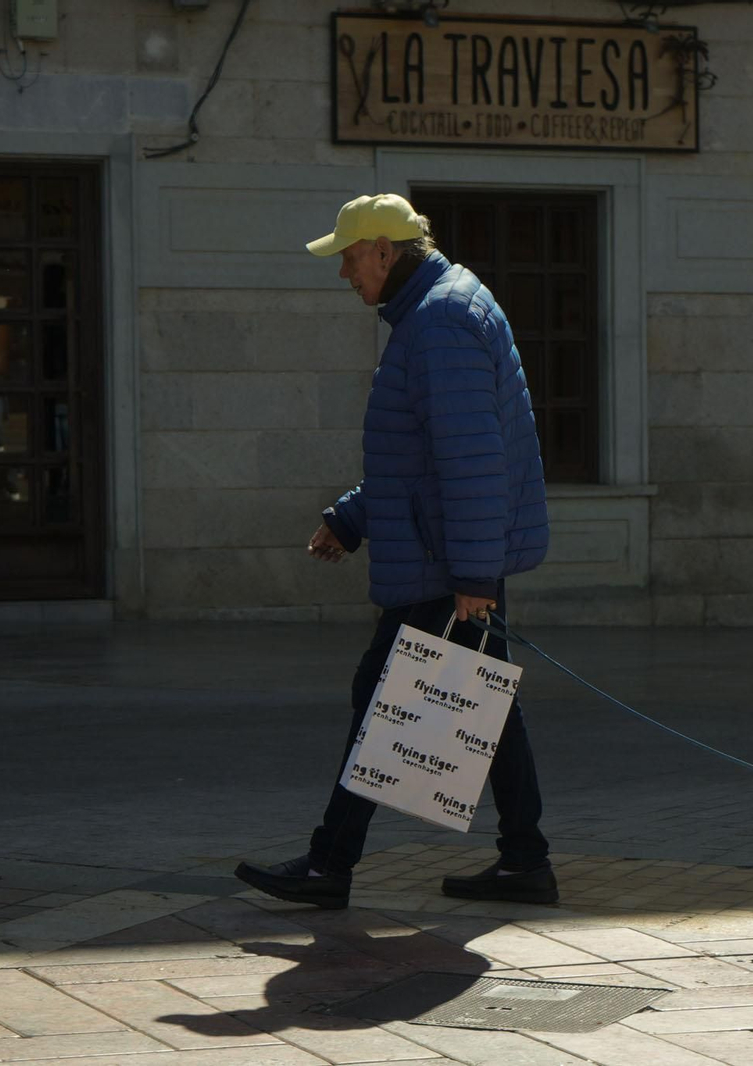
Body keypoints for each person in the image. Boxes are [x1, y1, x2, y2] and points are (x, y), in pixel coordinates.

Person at [234, 193, 556, 910]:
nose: (345, 272)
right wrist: (354, 517)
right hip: (448, 551)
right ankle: (525, 860)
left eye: (349, 257)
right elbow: (420, 457)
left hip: (446, 561)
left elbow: (472, 461)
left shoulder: (440, 320)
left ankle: (330, 865)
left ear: (384, 249)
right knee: (479, 702)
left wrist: (475, 573)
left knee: (383, 696)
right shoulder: (436, 310)